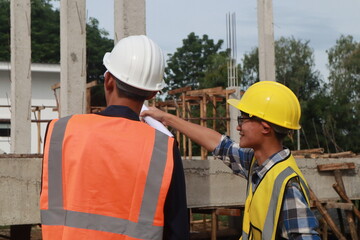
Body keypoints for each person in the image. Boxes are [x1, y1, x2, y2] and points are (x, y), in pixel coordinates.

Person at [40, 35, 189, 240]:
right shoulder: (163, 148)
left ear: (108, 80)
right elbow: (177, 231)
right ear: (153, 94)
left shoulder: (60, 131)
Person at [141, 81, 320, 240]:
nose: (238, 126)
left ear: (265, 127)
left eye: (243, 118)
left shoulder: (287, 184)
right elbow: (219, 144)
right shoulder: (257, 164)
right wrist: (166, 118)